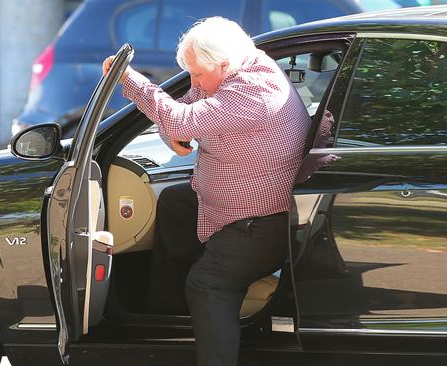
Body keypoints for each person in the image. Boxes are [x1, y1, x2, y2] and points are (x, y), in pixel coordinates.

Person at [103, 17, 310, 366]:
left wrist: (131, 81)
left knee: (208, 285)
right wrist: (176, 133)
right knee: (174, 202)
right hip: (228, 209)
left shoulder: (255, 90)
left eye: (198, 73)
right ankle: (169, 322)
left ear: (224, 64)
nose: (195, 80)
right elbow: (187, 111)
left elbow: (182, 118)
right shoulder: (234, 68)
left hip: (260, 225)